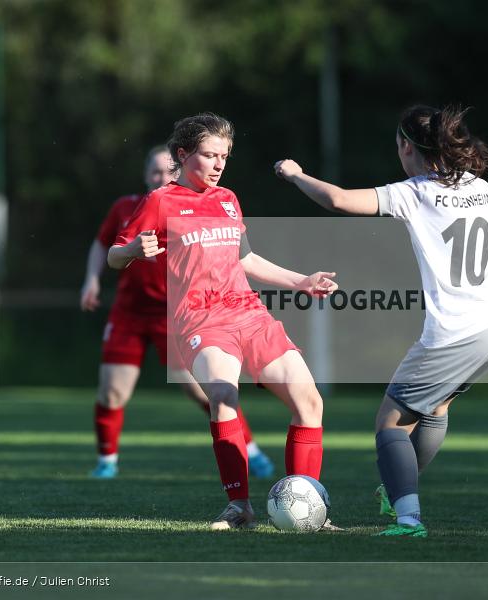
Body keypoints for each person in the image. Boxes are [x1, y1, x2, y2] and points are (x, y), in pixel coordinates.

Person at [274, 104, 488, 537]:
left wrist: (295, 173)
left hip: (453, 333)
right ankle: (397, 493)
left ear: (407, 147)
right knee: (435, 406)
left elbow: (337, 199)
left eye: (397, 145)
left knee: (389, 423)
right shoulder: (479, 188)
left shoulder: (415, 191)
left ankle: (407, 518)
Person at [108, 114, 338, 530]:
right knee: (223, 396)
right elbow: (114, 255)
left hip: (248, 313)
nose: (218, 165)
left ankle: (309, 508)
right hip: (200, 319)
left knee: (310, 403)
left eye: (224, 157)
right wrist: (132, 252)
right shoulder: (161, 200)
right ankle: (239, 507)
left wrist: (300, 281)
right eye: (210, 155)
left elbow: (244, 259)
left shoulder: (228, 198)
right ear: (183, 154)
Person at [81, 146, 275, 480]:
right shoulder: (128, 208)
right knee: (112, 392)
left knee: (206, 391)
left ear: (177, 171)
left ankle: (251, 451)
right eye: (154, 172)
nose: (160, 177)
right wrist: (92, 280)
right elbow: (105, 245)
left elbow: (233, 253)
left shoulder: (189, 205)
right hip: (129, 314)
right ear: (145, 175)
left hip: (177, 314)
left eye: (166, 171)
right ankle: (106, 462)